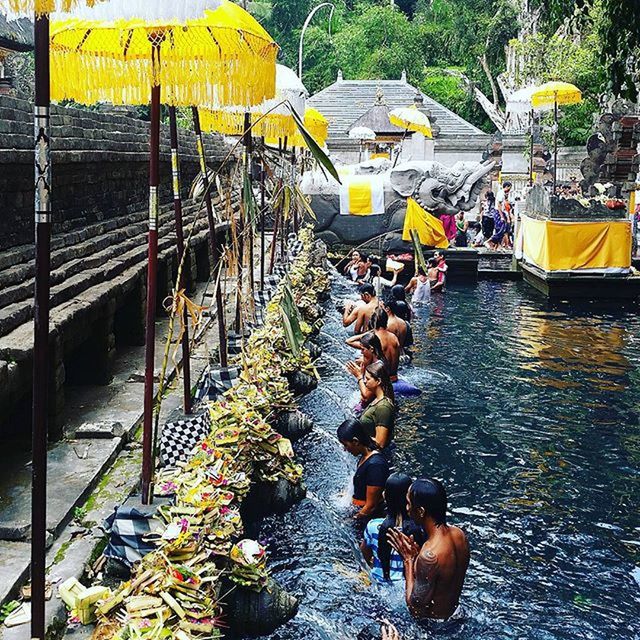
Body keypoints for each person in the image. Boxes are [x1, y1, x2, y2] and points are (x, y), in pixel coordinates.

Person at [388, 478, 470, 623]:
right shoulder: (460, 535)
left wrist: (408, 560)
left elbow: (415, 609)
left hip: (434, 628)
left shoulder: (429, 555)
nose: (406, 508)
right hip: (457, 615)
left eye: (408, 503)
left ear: (420, 511)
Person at [361, 473, 427, 584]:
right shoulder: (421, 529)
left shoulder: (372, 526)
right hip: (406, 586)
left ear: (384, 495)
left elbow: (364, 556)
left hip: (378, 586)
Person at [337, 418, 389, 521]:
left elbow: (371, 506)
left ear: (356, 441)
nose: (345, 449)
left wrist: (351, 520)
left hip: (369, 518)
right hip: (358, 509)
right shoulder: (365, 457)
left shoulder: (375, 465)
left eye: (346, 445)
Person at [357, 361, 396, 454]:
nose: (365, 381)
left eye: (368, 379)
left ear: (378, 381)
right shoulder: (376, 400)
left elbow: (380, 443)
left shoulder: (383, 407)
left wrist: (358, 440)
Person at [345, 331, 386, 408]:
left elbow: (366, 397)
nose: (361, 352)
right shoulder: (369, 360)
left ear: (371, 349)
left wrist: (359, 376)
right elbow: (348, 341)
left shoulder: (377, 367)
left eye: (363, 349)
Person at [369, 308, 400, 380]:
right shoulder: (394, 337)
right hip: (395, 377)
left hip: (383, 381)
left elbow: (349, 341)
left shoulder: (375, 338)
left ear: (373, 322)